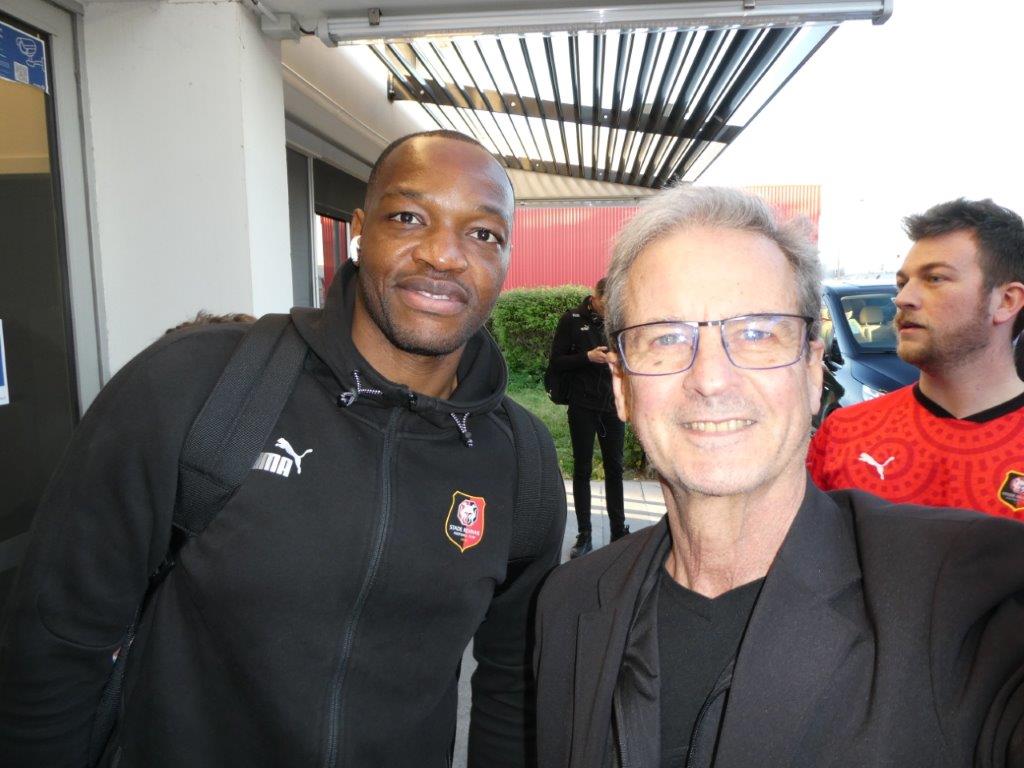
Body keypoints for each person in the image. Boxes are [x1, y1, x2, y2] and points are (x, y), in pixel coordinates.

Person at [0, 130, 566, 768]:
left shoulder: (520, 461)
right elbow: (57, 634)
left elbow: (515, 680)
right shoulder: (196, 383)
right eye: (408, 217)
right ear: (360, 231)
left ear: (506, 259)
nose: (443, 254)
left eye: (483, 233)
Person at [532, 186, 1024, 768]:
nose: (710, 379)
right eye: (666, 336)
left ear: (814, 371)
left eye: (758, 332)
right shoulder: (568, 604)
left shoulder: (968, 595)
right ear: (622, 387)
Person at [808, 198, 1024, 519]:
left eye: (935, 278)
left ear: (1006, 301)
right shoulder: (844, 434)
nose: (902, 298)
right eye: (902, 283)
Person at [547, 278, 627, 557]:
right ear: (596, 296)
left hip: (612, 404)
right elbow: (556, 361)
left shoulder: (619, 320)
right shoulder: (572, 319)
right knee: (582, 469)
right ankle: (584, 535)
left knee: (615, 469)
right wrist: (587, 357)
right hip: (582, 405)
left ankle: (619, 532)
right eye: (607, 303)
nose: (610, 309)